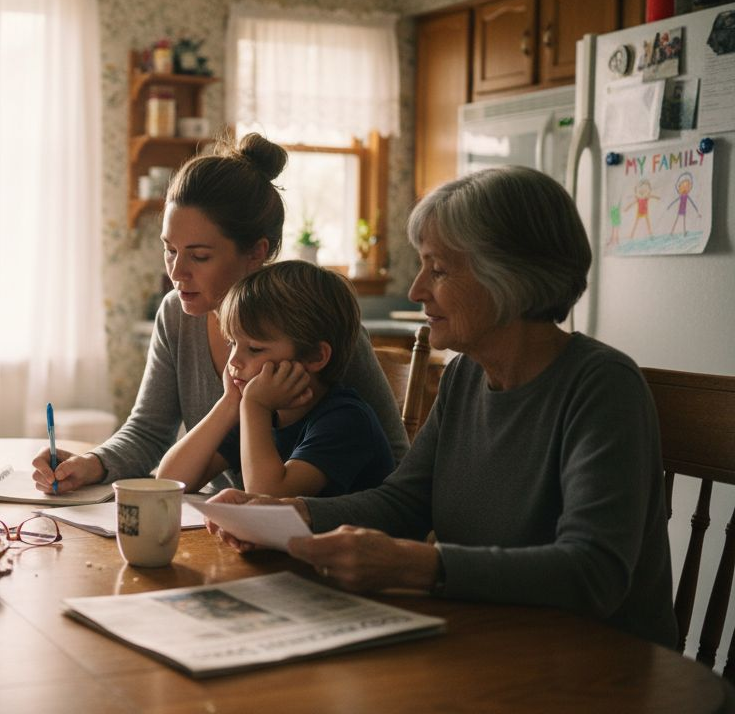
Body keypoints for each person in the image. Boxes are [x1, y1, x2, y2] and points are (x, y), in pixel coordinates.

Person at [205, 166, 677, 647]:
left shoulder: (601, 386)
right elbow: (406, 502)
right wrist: (287, 513)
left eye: (439, 269)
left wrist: (419, 565)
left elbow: (592, 573)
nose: (416, 291)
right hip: (492, 637)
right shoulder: (466, 375)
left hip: (600, 662)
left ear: (509, 278)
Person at [32, 133, 408, 495]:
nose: (176, 273)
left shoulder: (312, 321)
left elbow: (394, 462)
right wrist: (93, 463)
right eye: (169, 249)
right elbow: (149, 433)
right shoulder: (177, 317)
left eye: (199, 256)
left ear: (256, 252)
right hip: (224, 525)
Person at [155, 260, 392, 498]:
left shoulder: (346, 421)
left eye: (255, 349)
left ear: (316, 356)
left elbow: (268, 501)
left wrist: (254, 406)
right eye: (232, 343)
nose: (233, 361)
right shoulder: (265, 414)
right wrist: (228, 404)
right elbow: (169, 482)